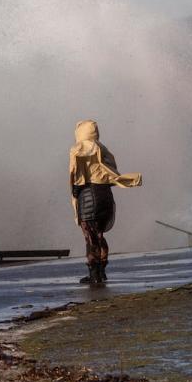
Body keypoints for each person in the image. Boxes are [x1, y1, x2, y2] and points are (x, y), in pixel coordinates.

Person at [68, 120, 142, 286]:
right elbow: (111, 171)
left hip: (88, 195)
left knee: (90, 236)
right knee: (100, 234)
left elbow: (76, 174)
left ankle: (94, 273)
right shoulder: (103, 149)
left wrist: (75, 190)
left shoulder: (78, 149)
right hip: (105, 196)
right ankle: (102, 270)